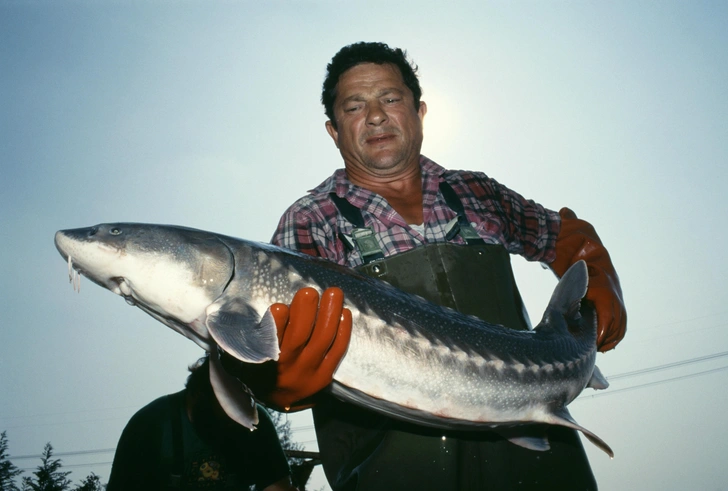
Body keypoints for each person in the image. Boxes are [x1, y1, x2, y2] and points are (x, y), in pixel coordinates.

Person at [251, 42, 626, 490]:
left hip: (540, 463)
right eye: (354, 106)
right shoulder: (310, 219)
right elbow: (272, 341)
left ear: (420, 112)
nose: (375, 116)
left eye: (390, 98)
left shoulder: (477, 191)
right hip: (396, 472)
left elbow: (563, 238)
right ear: (334, 130)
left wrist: (596, 272)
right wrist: (271, 377)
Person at [107, 354, 297, 490]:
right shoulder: (150, 424)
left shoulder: (255, 420)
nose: (236, 421)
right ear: (199, 393)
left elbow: (277, 486)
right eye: (227, 410)